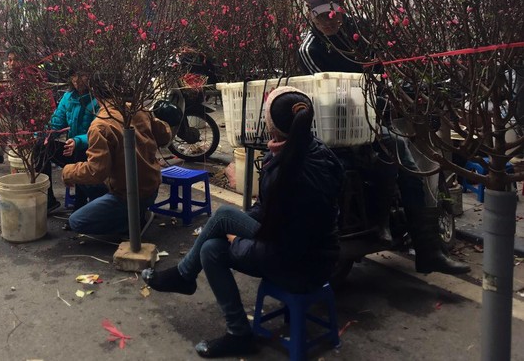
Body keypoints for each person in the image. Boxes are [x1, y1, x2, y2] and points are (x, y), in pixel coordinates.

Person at [142, 87, 343, 358]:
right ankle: (236, 330)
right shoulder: (313, 150)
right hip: (308, 252)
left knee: (222, 220)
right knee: (211, 247)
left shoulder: (290, 168)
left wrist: (239, 242)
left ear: (272, 127)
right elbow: (268, 214)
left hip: (300, 263)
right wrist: (238, 231)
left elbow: (286, 243)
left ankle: (185, 276)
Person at [297, 0, 469, 275]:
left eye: (333, 14)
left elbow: (385, 63)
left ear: (341, 10)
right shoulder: (310, 48)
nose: (329, 21)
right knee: (401, 153)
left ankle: (419, 242)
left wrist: (404, 87)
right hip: (339, 121)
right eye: (321, 16)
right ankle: (407, 238)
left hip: (374, 109)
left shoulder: (359, 28)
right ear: (310, 16)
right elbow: (332, 89)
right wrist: (375, 89)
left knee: (401, 152)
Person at [61, 80, 172, 235]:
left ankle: (130, 224)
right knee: (84, 182)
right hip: (151, 187)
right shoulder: (138, 109)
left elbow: (97, 171)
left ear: (96, 96)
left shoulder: (100, 125)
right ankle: (130, 214)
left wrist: (67, 172)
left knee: (76, 221)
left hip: (127, 195)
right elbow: (165, 137)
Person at [40, 70, 100, 212]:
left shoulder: (98, 99)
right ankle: (47, 199)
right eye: (73, 75)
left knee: (80, 154)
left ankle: (80, 207)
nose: (77, 80)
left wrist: (78, 141)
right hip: (70, 149)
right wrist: (45, 134)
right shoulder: (68, 97)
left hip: (90, 152)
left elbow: (99, 132)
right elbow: (57, 122)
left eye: (82, 74)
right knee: (41, 147)